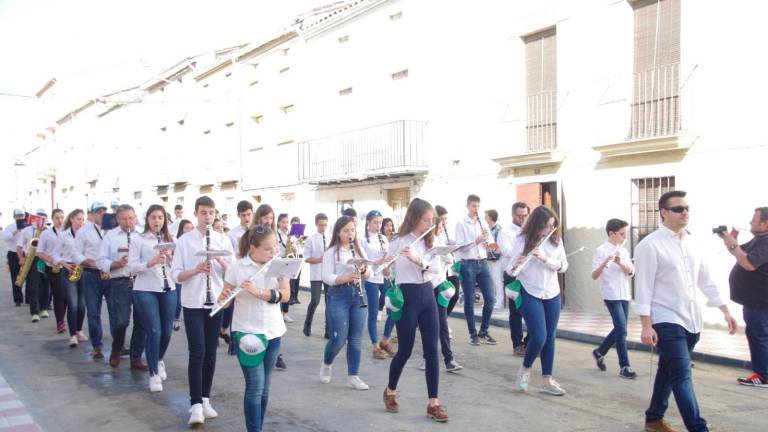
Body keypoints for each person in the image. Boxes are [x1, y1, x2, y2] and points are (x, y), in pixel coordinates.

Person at [634, 190, 738, 432]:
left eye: (687, 208)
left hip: (692, 320)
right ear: (663, 212)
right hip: (665, 318)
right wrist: (646, 324)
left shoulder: (693, 242)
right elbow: (643, 288)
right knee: (682, 375)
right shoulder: (649, 246)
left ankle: (654, 418)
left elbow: (705, 280)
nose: (685, 213)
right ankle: (697, 427)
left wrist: (725, 310)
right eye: (679, 209)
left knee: (668, 370)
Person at [170, 196, 234, 425]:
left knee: (211, 352)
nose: (208, 217)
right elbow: (175, 274)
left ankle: (206, 399)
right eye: (203, 212)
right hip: (192, 301)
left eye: (211, 213)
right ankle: (195, 403)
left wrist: (220, 261)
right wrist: (196, 270)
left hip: (215, 301)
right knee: (197, 351)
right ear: (196, 213)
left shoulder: (222, 240)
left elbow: (233, 274)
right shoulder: (184, 241)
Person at [383, 198, 447, 422]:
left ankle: (433, 402)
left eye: (432, 220)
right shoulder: (398, 240)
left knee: (432, 349)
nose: (430, 224)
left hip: (427, 294)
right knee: (406, 350)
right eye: (426, 220)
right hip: (407, 296)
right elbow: (388, 272)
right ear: (414, 218)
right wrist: (386, 266)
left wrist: (417, 259)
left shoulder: (432, 240)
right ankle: (390, 390)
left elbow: (437, 268)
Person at [222, 225, 288, 432]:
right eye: (268, 249)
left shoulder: (278, 265)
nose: (273, 252)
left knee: (265, 388)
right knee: (255, 387)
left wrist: (259, 292)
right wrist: (223, 299)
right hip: (246, 333)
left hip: (273, 331)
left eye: (275, 247)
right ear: (253, 248)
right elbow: (224, 301)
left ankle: (256, 427)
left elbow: (285, 295)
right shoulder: (237, 267)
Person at [508, 205, 568, 396]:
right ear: (537, 225)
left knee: (550, 337)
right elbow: (509, 269)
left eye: (553, 226)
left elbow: (563, 266)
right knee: (539, 335)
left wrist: (545, 259)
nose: (550, 230)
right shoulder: (522, 240)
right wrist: (517, 263)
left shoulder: (555, 241)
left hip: (552, 292)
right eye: (547, 226)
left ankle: (547, 380)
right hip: (529, 291)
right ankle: (525, 369)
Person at [129, 204, 178, 392]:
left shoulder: (171, 239)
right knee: (154, 331)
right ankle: (153, 374)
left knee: (167, 332)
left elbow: (178, 266)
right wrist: (151, 262)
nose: (157, 221)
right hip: (144, 288)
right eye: (153, 217)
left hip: (168, 287)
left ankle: (158, 359)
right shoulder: (138, 239)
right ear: (147, 219)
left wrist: (170, 257)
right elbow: (131, 267)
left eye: (160, 218)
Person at [718, 206, 768, 388]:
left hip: (760, 301)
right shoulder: (759, 240)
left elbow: (748, 263)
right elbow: (739, 253)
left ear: (765, 223)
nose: (750, 222)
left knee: (759, 336)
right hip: (754, 301)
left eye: (754, 220)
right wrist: (729, 240)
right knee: (758, 335)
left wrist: (733, 244)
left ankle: (763, 375)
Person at [320, 215, 371, 390]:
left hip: (358, 293)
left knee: (356, 338)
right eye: (346, 230)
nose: (350, 233)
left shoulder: (358, 250)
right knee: (339, 339)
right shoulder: (331, 252)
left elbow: (370, 272)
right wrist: (344, 278)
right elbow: (326, 277)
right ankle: (327, 363)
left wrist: (364, 272)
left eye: (352, 230)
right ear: (338, 232)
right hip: (338, 295)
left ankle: (353, 375)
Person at [99, 204, 147, 370]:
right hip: (120, 281)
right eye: (124, 219)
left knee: (142, 321)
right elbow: (101, 260)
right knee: (121, 321)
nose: (128, 222)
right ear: (117, 220)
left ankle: (136, 357)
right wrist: (115, 263)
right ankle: (117, 348)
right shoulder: (110, 236)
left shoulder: (142, 234)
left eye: (131, 218)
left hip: (141, 280)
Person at [590, 218, 637, 379]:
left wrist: (619, 263)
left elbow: (631, 272)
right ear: (612, 233)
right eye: (622, 234)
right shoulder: (601, 250)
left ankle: (600, 351)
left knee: (619, 328)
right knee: (622, 329)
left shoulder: (623, 251)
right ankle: (624, 366)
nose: (624, 238)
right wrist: (605, 263)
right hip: (611, 295)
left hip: (624, 294)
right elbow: (594, 275)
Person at [72, 201, 114, 359]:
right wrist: (88, 261)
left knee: (114, 311)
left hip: (110, 274)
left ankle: (118, 344)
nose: (102, 214)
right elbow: (75, 253)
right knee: (93, 313)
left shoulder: (113, 229)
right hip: (91, 274)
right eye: (98, 211)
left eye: (104, 211)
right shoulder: (84, 231)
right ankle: (97, 345)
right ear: (91, 215)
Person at [455, 194, 496, 346]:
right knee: (470, 300)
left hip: (483, 262)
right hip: (468, 264)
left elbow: (492, 244)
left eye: (478, 206)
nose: (476, 209)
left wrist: (488, 243)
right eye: (473, 206)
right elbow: (460, 246)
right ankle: (473, 334)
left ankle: (483, 331)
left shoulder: (482, 223)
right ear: (467, 206)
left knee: (491, 298)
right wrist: (476, 241)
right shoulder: (461, 223)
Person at [423, 219, 462, 373]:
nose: (440, 229)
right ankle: (426, 358)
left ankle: (449, 359)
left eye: (441, 227)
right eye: (438, 227)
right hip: (425, 286)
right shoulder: (423, 242)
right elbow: (423, 263)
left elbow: (450, 260)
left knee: (442, 322)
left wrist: (446, 254)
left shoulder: (440, 240)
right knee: (429, 325)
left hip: (440, 285)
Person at [252, 204, 287, 371]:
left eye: (271, 218)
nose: (268, 221)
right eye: (265, 217)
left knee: (274, 319)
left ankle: (276, 353)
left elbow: (278, 259)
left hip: (273, 283)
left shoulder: (275, 237)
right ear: (258, 218)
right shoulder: (251, 236)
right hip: (256, 282)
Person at [499, 202, 530, 356]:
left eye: (525, 216)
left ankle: (529, 343)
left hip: (529, 274)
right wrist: (524, 252)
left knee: (531, 309)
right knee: (516, 310)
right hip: (512, 274)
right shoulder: (505, 232)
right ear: (512, 215)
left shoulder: (531, 231)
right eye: (519, 216)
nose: (523, 219)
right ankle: (517, 344)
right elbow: (506, 251)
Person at [55, 209, 88, 347]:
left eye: (82, 219)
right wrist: (65, 265)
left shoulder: (86, 234)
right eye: (78, 219)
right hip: (68, 269)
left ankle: (79, 330)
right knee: (73, 304)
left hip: (83, 268)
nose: (81, 222)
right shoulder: (63, 235)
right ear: (72, 219)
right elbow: (55, 254)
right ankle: (72, 335)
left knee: (82, 305)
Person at [360, 210, 389, 359]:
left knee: (394, 307)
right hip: (370, 277)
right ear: (368, 223)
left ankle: (385, 340)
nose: (379, 226)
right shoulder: (362, 239)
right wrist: (375, 262)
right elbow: (361, 260)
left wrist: (388, 259)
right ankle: (375, 346)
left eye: (380, 222)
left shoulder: (383, 238)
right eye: (375, 222)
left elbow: (388, 257)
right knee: (372, 313)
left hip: (383, 275)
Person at [37, 209, 67, 332]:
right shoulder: (46, 234)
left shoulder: (68, 232)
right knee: (59, 294)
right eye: (57, 218)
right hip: (53, 268)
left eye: (61, 217)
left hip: (67, 266)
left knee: (66, 296)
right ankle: (60, 321)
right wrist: (50, 258)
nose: (60, 220)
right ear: (52, 219)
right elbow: (39, 252)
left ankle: (64, 318)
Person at [17, 209, 50, 322]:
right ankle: (35, 312)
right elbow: (19, 246)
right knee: (33, 286)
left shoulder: (48, 230)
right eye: (39, 217)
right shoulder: (26, 230)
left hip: (45, 259)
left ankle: (44, 308)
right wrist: (21, 258)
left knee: (46, 284)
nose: (41, 220)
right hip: (31, 259)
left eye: (44, 218)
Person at [303, 213, 328, 337]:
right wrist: (320, 259)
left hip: (329, 273)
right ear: (316, 224)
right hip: (316, 274)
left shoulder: (330, 238)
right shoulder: (310, 239)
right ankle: (307, 324)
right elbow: (306, 258)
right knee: (315, 300)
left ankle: (328, 329)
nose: (323, 228)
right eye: (321, 225)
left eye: (325, 225)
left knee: (330, 302)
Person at [3, 209, 27, 306]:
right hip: (13, 254)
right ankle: (18, 299)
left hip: (26, 253)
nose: (20, 217)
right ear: (14, 217)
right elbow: (6, 238)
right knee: (15, 276)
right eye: (18, 216)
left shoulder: (28, 227)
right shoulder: (10, 227)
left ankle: (29, 298)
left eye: (21, 215)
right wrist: (17, 230)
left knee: (29, 276)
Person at [173, 219, 194, 331]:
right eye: (186, 228)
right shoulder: (177, 241)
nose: (189, 230)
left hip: (190, 276)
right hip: (178, 274)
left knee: (181, 299)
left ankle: (176, 317)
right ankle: (176, 318)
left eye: (191, 228)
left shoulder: (193, 242)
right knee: (177, 298)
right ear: (181, 229)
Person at [484, 209, 505, 310]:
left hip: (496, 258)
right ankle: (493, 300)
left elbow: (499, 244)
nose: (484, 218)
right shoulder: (487, 229)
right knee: (490, 280)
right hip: (488, 257)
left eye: (486, 216)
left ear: (490, 217)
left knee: (497, 280)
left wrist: (495, 255)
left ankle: (499, 302)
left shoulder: (498, 229)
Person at [288, 216, 303, 305]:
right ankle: (290, 297)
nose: (295, 226)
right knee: (292, 279)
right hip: (291, 258)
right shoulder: (289, 235)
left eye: (297, 225)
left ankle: (295, 297)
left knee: (298, 279)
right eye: (294, 225)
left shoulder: (300, 236)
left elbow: (302, 247)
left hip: (299, 258)